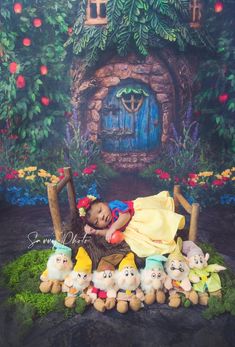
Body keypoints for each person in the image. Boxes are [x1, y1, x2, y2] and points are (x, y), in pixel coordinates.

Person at [77, 192, 185, 258]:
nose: (101, 217)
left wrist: (113, 228)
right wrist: (96, 231)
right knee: (145, 240)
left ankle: (170, 228)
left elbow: (125, 216)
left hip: (136, 215)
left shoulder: (114, 205)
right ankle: (164, 239)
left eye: (100, 210)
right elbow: (108, 232)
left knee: (156, 221)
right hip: (132, 228)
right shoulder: (105, 225)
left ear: (104, 203)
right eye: (96, 222)